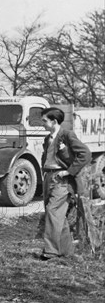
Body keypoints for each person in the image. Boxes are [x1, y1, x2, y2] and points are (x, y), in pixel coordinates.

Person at [40, 107, 91, 260]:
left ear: (54, 121)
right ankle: (67, 251)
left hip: (61, 179)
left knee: (52, 211)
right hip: (49, 177)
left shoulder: (67, 135)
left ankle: (51, 251)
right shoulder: (47, 138)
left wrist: (69, 171)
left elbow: (85, 154)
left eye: (44, 121)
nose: (42, 124)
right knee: (58, 215)